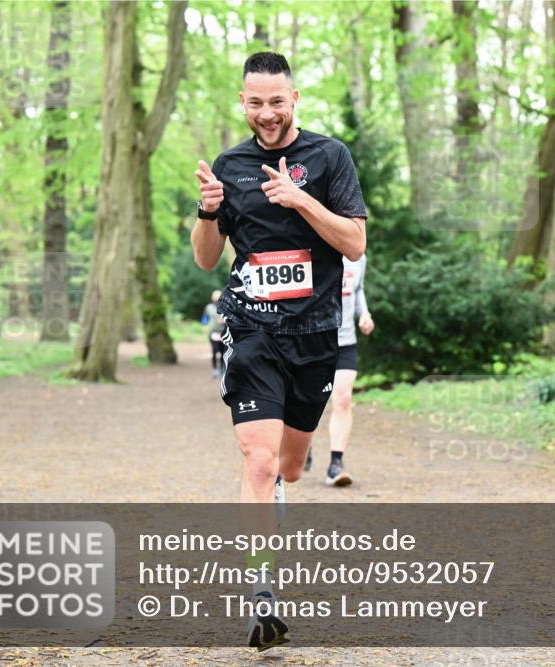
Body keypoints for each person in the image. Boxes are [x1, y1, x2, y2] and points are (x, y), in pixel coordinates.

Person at [190, 52, 367, 649]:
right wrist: (208, 211)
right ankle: (261, 591)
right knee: (258, 461)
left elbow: (354, 242)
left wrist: (299, 199)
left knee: (291, 464)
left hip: (315, 335)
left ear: (295, 100)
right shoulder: (230, 165)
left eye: (277, 101)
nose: (266, 113)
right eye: (255, 102)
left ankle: (286, 483)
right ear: (243, 103)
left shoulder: (329, 156)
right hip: (253, 328)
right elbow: (207, 258)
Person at [325, 253, 375, 486]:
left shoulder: (358, 257)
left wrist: (364, 313)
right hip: (312, 342)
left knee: (343, 399)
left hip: (345, 342)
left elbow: (358, 289)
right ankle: (300, 447)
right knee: (303, 402)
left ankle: (336, 464)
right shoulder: (313, 246)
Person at [202, 289, 226, 378]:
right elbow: (204, 318)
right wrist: (204, 325)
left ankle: (223, 369)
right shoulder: (209, 308)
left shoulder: (226, 307)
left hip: (223, 333)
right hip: (213, 333)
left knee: (224, 351)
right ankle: (215, 369)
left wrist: (224, 321)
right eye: (216, 299)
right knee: (215, 351)